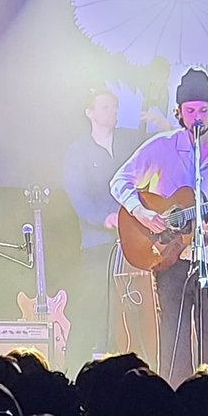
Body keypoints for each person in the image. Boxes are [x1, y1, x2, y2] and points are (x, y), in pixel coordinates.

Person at [110, 67, 208, 386]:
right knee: (174, 347)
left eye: (203, 110)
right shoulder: (161, 147)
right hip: (171, 260)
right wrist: (143, 214)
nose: (197, 117)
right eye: (190, 110)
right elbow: (119, 182)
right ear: (179, 113)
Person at [62, 88, 143, 369]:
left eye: (115, 107)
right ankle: (74, 368)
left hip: (132, 242)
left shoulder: (128, 145)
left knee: (129, 308)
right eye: (106, 106)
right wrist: (103, 218)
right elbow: (77, 194)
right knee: (93, 307)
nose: (113, 112)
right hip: (97, 243)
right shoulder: (78, 151)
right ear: (90, 112)